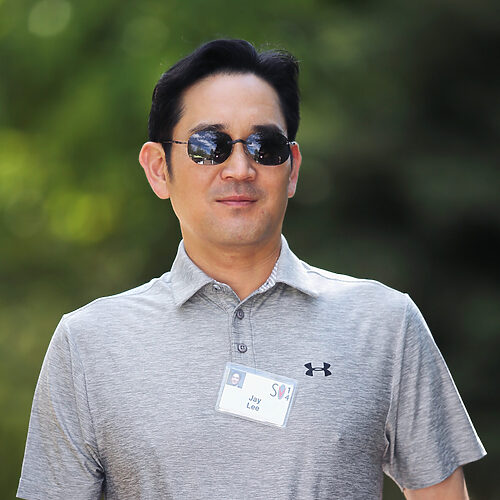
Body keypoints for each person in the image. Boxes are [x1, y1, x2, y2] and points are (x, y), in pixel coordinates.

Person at [18, 39, 485, 500]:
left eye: (266, 146)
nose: (240, 169)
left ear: (292, 168)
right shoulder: (88, 344)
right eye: (209, 146)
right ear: (159, 168)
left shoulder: (384, 324)